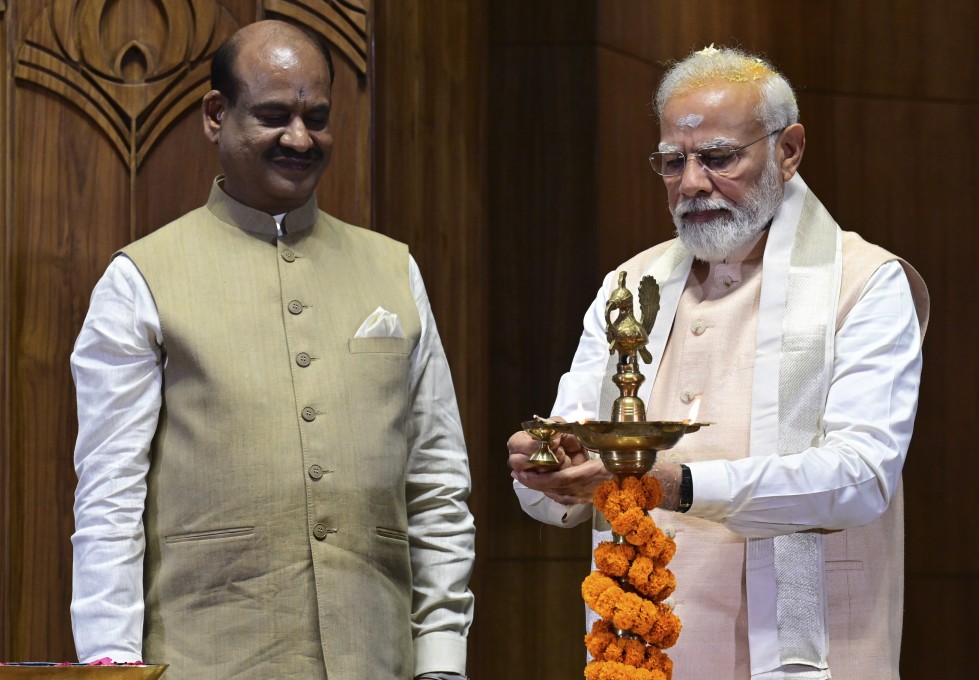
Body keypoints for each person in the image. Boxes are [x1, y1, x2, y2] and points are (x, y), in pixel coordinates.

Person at [508, 45, 928, 680]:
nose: (693, 183)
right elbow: (565, 489)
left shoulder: (865, 281)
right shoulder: (631, 285)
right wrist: (546, 468)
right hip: (641, 644)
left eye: (719, 157)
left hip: (808, 655)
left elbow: (862, 475)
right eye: (673, 162)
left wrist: (679, 486)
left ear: (789, 151)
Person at [70, 20, 474, 680]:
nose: (299, 138)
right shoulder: (140, 279)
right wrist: (111, 666)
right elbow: (109, 500)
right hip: (203, 661)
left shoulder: (393, 269)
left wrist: (442, 660)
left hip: (379, 660)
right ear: (215, 115)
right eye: (274, 115)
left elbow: (436, 481)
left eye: (316, 118)